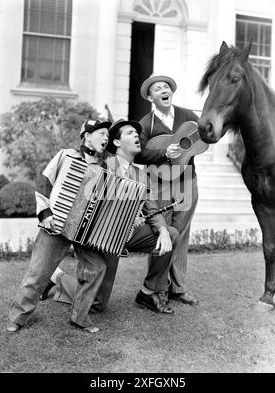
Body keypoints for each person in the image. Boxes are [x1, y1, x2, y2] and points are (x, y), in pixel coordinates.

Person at [43, 119, 179, 315]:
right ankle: (57, 278)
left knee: (171, 234)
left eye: (137, 134)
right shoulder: (101, 164)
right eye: (130, 133)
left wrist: (163, 230)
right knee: (97, 305)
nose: (136, 136)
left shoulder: (142, 175)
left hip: (128, 233)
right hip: (98, 235)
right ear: (116, 142)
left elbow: (151, 208)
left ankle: (148, 292)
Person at [6, 120, 112, 334]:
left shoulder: (105, 167)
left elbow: (105, 199)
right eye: (102, 133)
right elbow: (44, 182)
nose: (106, 138)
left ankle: (80, 318)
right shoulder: (66, 155)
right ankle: (18, 317)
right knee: (38, 273)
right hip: (56, 225)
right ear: (87, 135)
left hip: (84, 231)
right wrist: (45, 214)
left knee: (97, 268)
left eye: (108, 135)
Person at [136, 74, 199, 306]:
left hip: (186, 180)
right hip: (160, 183)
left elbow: (205, 137)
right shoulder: (146, 123)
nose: (163, 90)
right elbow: (139, 152)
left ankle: (179, 288)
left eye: (166, 87)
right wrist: (163, 153)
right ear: (151, 97)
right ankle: (157, 287)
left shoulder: (188, 116)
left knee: (181, 233)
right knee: (161, 233)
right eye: (157, 89)